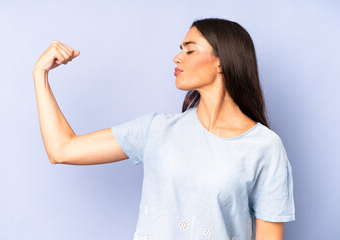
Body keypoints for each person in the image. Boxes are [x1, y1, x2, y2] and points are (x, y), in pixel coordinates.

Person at [33, 18, 295, 240]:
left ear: (221, 61)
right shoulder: (156, 129)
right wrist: (40, 75)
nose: (177, 57)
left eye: (189, 50)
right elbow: (61, 149)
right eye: (180, 49)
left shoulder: (265, 147)